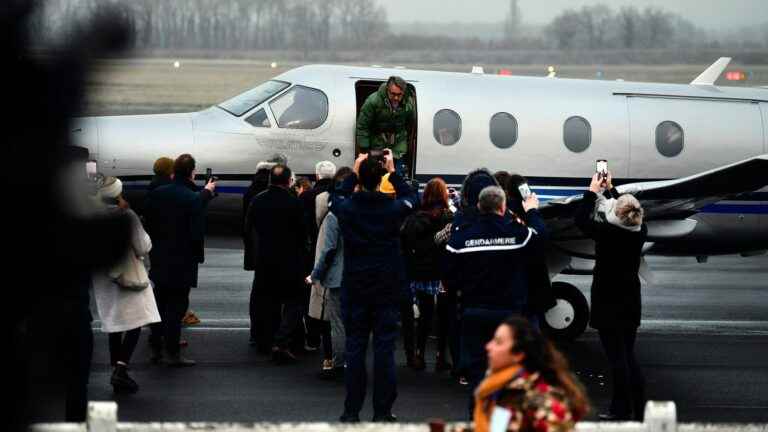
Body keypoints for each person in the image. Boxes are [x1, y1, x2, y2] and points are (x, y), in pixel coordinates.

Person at [444, 185, 547, 412]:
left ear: (480, 207)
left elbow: (448, 275)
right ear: (503, 207)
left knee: (478, 377)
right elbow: (540, 237)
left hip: (474, 313)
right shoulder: (518, 235)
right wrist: (531, 211)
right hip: (508, 315)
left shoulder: (461, 239)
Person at [335, 150, 418, 422]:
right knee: (384, 350)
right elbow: (411, 198)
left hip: (356, 285)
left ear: (360, 179)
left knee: (355, 348)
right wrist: (393, 172)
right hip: (386, 285)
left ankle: (351, 411)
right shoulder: (392, 209)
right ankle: (382, 411)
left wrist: (354, 173)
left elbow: (336, 198)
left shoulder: (348, 208)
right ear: (381, 177)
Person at [575, 172, 647, 421]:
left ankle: (622, 409)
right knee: (627, 355)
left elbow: (580, 220)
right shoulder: (639, 232)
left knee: (617, 359)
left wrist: (592, 192)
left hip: (608, 302)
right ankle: (636, 408)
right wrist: (613, 190)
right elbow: (626, 212)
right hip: (630, 301)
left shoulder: (608, 234)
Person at [143, 154, 216, 366]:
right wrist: (206, 193)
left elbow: (149, 221)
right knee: (176, 307)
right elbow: (196, 219)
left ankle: (155, 347)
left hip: (159, 256)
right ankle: (172, 352)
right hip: (183, 260)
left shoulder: (157, 194)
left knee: (159, 303)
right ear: (192, 172)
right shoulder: (192, 197)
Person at [92, 177, 161, 393]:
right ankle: (121, 370)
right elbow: (143, 246)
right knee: (136, 322)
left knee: (115, 323)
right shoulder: (127, 215)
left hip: (104, 278)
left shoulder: (93, 215)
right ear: (118, 193)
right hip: (129, 275)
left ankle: (116, 367)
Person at [472, 316, 589, 432]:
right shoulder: (496, 387)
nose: (488, 346)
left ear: (518, 354)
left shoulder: (541, 401)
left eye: (498, 342)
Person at [244, 164, 310, 363]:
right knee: (295, 301)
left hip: (265, 260)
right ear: (289, 181)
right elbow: (302, 234)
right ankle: (282, 341)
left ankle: (265, 340)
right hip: (290, 260)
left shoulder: (258, 201)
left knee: (266, 301)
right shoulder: (294, 203)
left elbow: (248, 229)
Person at [400, 177, 456, 372]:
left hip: (420, 272)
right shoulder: (449, 217)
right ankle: (441, 356)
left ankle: (419, 354)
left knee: (424, 315)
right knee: (443, 316)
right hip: (442, 273)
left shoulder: (415, 218)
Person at [308, 168, 353, 379]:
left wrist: (315, 274)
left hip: (338, 277)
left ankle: (339, 364)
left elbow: (328, 250)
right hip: (359, 274)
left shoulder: (334, 214)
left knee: (338, 324)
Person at [503, 174, 557, 328]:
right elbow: (541, 236)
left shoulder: (504, 212)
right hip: (532, 289)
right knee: (531, 333)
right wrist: (533, 210)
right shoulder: (528, 214)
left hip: (512, 290)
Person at [356, 76, 416, 176]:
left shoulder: (408, 104)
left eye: (399, 95)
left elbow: (410, 124)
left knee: (396, 177)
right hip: (377, 145)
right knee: (375, 176)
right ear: (387, 90)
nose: (396, 98)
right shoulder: (373, 102)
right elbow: (363, 126)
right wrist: (364, 150)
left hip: (398, 146)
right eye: (393, 94)